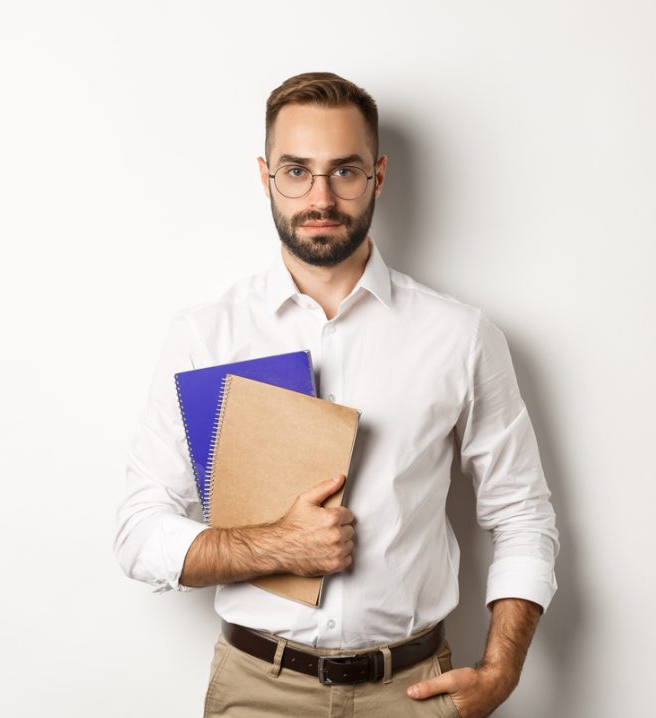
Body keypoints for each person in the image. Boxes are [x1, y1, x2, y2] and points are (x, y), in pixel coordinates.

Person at [114, 72, 559, 718]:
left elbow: (522, 515)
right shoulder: (207, 335)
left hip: (411, 693)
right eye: (297, 171)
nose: (320, 196)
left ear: (377, 175)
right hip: (257, 690)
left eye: (344, 171)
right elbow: (138, 532)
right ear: (266, 177)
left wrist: (501, 670)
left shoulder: (461, 336)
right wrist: (276, 546)